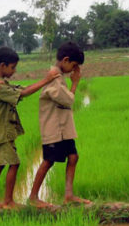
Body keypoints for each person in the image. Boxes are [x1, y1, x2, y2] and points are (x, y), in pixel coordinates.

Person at [0, 47, 59, 209]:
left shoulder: (4, 84)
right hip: (2, 131)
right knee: (14, 163)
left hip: (5, 130)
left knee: (1, 164)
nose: (14, 71)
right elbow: (23, 94)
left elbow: (22, 89)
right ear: (2, 66)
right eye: (12, 67)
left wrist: (43, 82)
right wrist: (46, 80)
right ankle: (8, 201)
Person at [29, 42, 92, 207]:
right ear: (65, 60)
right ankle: (33, 197)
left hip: (63, 128)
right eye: (74, 65)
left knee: (73, 157)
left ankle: (68, 195)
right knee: (49, 161)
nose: (74, 69)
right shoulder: (54, 78)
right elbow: (68, 100)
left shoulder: (58, 76)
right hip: (53, 128)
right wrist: (76, 83)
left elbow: (66, 101)